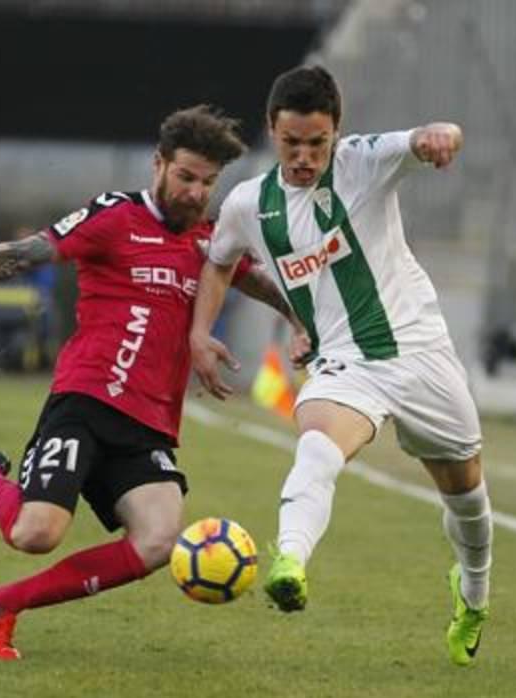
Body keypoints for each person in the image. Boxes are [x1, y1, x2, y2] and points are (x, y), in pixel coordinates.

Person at [0, 105, 296, 660]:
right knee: (35, 534)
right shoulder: (114, 216)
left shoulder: (212, 237)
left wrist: (305, 322)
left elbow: (259, 280)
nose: (195, 193)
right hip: (84, 401)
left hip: (149, 422)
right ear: (158, 164)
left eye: (208, 183)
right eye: (185, 177)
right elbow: (20, 255)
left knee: (158, 540)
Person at [189, 66, 493, 666]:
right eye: (291, 142)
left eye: (317, 143)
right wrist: (199, 332)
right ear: (272, 130)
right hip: (347, 364)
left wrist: (441, 135)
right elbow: (220, 262)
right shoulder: (250, 204)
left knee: (467, 498)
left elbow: (433, 134)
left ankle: (474, 591)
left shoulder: (362, 162)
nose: (304, 156)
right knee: (318, 447)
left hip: (422, 354)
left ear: (337, 135)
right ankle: (290, 562)